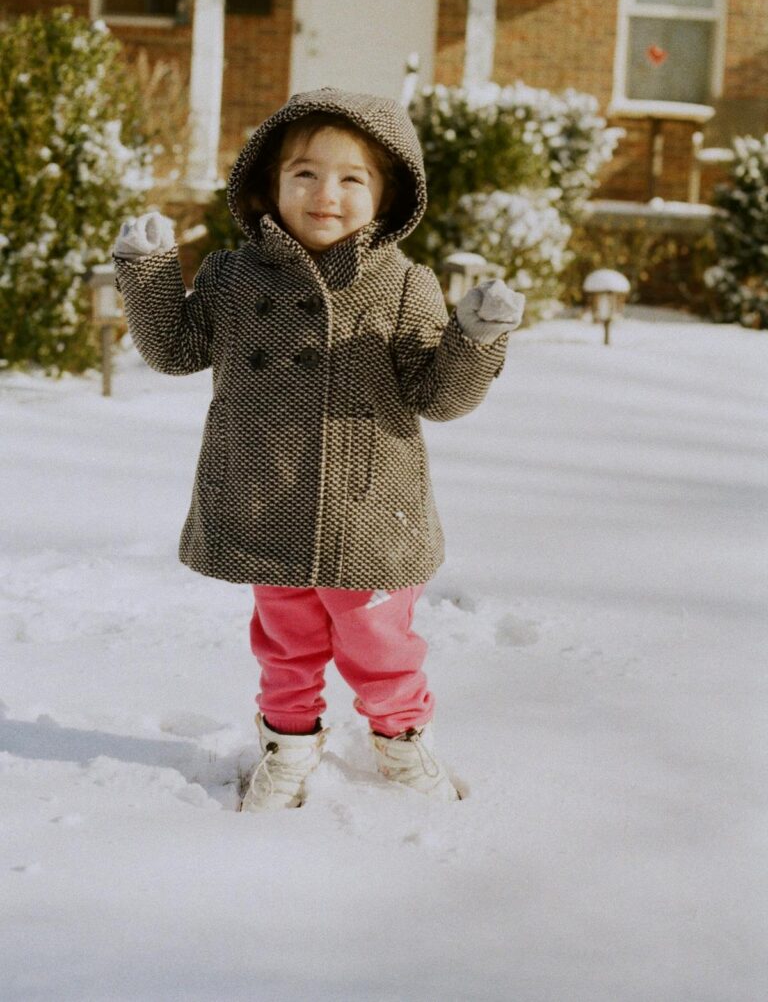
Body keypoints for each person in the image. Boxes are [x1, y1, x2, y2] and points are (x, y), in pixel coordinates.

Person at [113, 87, 524, 812]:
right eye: (304, 172)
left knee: (380, 643)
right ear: (268, 183)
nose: (324, 193)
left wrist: (475, 339)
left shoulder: (403, 287)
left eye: (350, 178)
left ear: (388, 196)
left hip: (370, 512)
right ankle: (289, 745)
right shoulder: (235, 278)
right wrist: (147, 275)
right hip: (264, 497)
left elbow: (440, 396)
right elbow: (175, 349)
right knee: (284, 639)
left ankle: (401, 741)